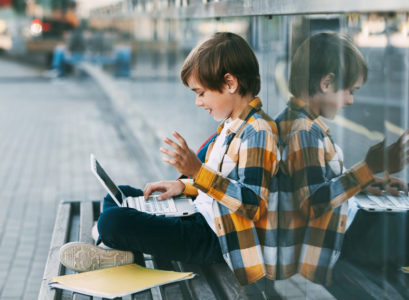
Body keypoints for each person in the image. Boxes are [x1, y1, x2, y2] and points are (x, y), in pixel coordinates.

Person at [59, 32, 280, 285]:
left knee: (112, 220)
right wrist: (182, 186)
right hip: (199, 213)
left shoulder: (258, 132)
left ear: (230, 83)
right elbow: (220, 184)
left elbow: (253, 204)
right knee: (118, 195)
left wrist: (197, 172)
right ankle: (122, 250)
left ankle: (120, 249)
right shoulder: (233, 125)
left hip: (216, 237)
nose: (198, 103)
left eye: (200, 93)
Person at [275, 32, 409, 285]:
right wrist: (369, 168)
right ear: (326, 83)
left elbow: (312, 186)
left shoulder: (297, 122)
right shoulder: (303, 132)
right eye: (351, 91)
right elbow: (313, 204)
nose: (351, 100)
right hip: (333, 242)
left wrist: (363, 183)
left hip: (338, 230)